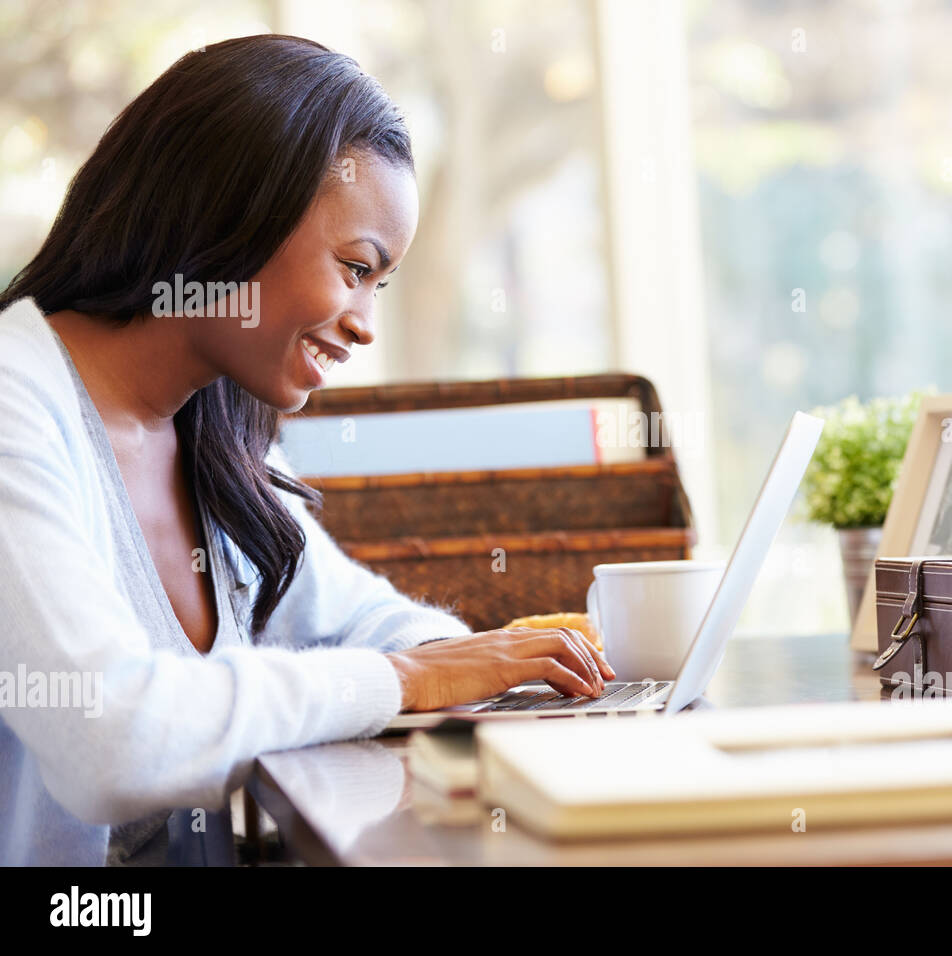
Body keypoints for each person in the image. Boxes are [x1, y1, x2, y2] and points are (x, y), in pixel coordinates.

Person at [0, 34, 613, 866]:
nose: (364, 324)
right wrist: (407, 681)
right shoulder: (15, 405)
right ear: (228, 210)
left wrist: (467, 661)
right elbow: (111, 736)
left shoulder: (213, 427)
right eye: (355, 267)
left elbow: (359, 621)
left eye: (380, 284)